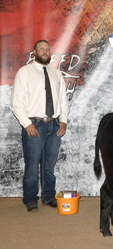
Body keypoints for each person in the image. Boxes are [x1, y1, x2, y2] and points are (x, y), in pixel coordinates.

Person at [11, 40, 69, 212]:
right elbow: (16, 103)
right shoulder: (25, 72)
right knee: (32, 163)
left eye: (47, 49)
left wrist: (63, 120)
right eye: (41, 49)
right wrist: (27, 124)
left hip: (54, 125)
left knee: (49, 164)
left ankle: (48, 196)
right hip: (34, 124)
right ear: (34, 52)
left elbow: (63, 100)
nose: (45, 51)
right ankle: (30, 199)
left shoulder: (56, 74)